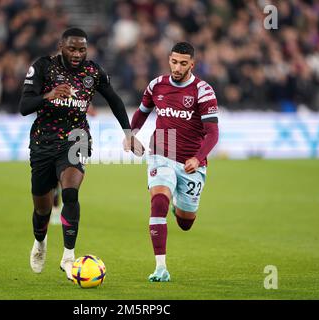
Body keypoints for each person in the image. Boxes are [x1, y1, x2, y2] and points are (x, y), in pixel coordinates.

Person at [19, 28, 144, 280]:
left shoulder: (92, 72)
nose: (77, 54)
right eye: (72, 49)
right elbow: (24, 106)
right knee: (42, 210)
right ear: (61, 46)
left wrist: (129, 133)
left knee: (70, 192)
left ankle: (68, 256)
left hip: (77, 139)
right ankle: (40, 243)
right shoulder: (43, 67)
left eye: (82, 49)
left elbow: (115, 101)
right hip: (43, 142)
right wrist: (49, 95)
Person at [124, 42, 219, 282]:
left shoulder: (203, 91)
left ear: (192, 64)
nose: (177, 67)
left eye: (183, 63)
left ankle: (180, 206)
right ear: (169, 60)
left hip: (191, 161)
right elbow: (143, 112)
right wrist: (130, 134)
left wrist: (198, 158)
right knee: (158, 202)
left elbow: (212, 133)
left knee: (186, 222)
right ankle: (160, 267)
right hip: (161, 152)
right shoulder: (156, 85)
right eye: (174, 62)